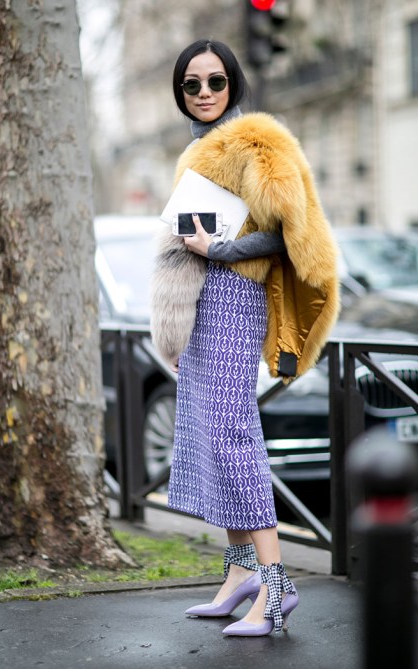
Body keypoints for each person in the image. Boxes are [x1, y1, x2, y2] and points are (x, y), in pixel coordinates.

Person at [150, 39, 339, 637]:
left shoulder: (256, 139)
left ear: (233, 82)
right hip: (202, 304)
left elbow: (291, 230)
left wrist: (223, 250)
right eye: (192, 84)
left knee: (234, 436)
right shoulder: (197, 149)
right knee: (212, 433)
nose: (204, 92)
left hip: (236, 299)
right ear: (181, 92)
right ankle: (239, 574)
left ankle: (278, 584)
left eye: (216, 81)